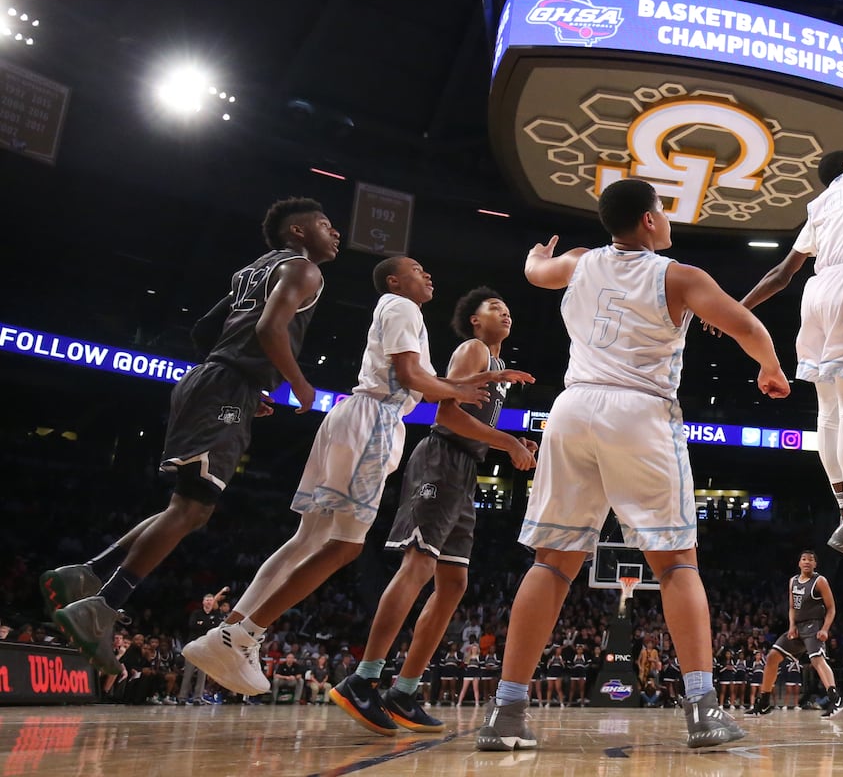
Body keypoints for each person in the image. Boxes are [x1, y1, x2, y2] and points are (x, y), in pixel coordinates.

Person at [476, 178, 789, 752]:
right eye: (663, 211)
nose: (667, 219)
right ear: (648, 221)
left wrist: (535, 256)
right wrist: (769, 367)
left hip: (570, 410)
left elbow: (533, 273)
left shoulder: (577, 261)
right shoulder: (680, 276)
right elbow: (746, 325)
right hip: (639, 411)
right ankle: (701, 710)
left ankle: (506, 713)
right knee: (675, 565)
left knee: (551, 564)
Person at [183, 256, 528, 695]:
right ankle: (246, 634)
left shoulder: (399, 312)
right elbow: (411, 377)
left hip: (356, 419)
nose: (428, 274)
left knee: (308, 539)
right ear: (394, 280)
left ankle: (230, 632)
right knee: (344, 546)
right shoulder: (404, 308)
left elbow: (422, 380)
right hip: (374, 422)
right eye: (419, 270)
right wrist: (460, 389)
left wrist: (465, 384)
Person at [47, 198, 340, 671]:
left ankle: (88, 575)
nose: (336, 233)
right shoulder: (303, 269)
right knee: (193, 508)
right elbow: (269, 327)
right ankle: (100, 606)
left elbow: (205, 331)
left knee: (187, 506)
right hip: (223, 386)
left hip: (213, 380)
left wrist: (246, 381)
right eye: (325, 225)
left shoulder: (252, 271)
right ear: (299, 232)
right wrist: (296, 383)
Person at [329, 287, 539, 735]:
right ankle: (362, 680)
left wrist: (508, 441)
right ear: (474, 321)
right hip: (441, 460)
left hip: (465, 468)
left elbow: (476, 425)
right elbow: (446, 415)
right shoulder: (474, 349)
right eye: (494, 308)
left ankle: (404, 689)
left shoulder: (498, 366)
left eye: (507, 307)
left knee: (454, 582)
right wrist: (509, 443)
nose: (504, 312)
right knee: (418, 566)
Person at [726, 150, 843, 565]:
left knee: (828, 411)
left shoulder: (820, 206)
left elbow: (781, 275)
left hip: (815, 293)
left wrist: (739, 309)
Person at [748, 550, 843, 718]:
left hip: (814, 625)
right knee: (772, 657)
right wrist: (792, 625)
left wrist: (825, 628)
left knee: (817, 659)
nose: (807, 561)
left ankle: (836, 699)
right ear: (799, 563)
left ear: (815, 564)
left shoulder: (820, 581)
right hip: (798, 627)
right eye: (803, 559)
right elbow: (793, 607)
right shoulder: (793, 581)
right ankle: (763, 703)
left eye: (811, 559)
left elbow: (831, 608)